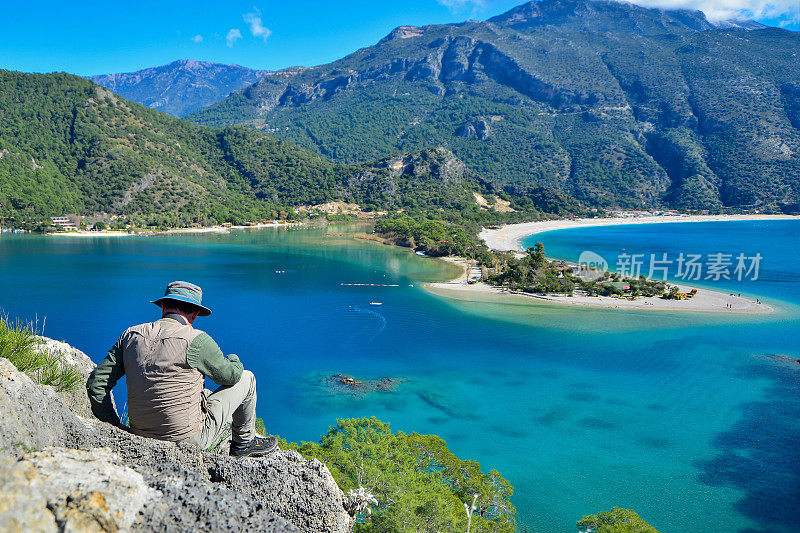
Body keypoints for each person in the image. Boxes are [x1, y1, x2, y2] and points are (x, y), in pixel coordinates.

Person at [87, 281, 277, 458]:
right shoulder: (196, 339)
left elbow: (96, 384)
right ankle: (243, 445)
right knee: (247, 378)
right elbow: (230, 376)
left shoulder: (131, 335)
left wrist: (114, 426)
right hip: (187, 442)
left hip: (139, 435)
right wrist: (234, 359)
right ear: (194, 313)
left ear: (163, 306)